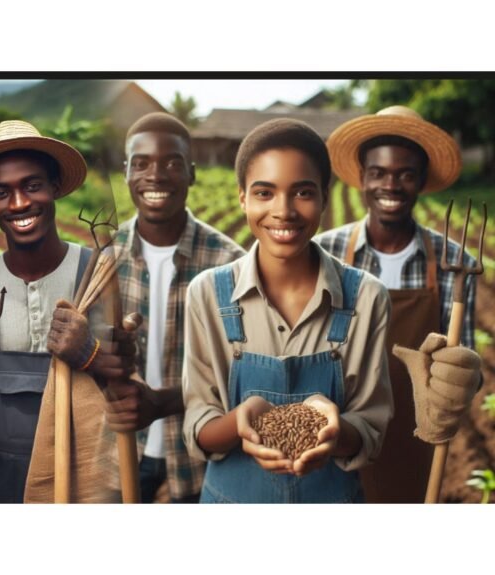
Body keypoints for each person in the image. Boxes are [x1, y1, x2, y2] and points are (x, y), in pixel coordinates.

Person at [182, 118, 394, 503]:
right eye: (264, 193)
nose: (283, 211)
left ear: (325, 198)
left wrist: (333, 431)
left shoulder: (366, 298)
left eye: (302, 193)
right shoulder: (209, 294)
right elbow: (199, 427)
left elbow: (369, 431)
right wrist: (243, 417)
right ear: (242, 197)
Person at [0, 120, 135, 503]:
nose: (19, 204)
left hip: (89, 479)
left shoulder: (102, 279)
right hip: (0, 484)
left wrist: (89, 354)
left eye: (32, 186)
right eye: (2, 193)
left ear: (54, 187)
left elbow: (136, 386)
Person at [315, 105, 483, 502]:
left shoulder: (455, 266)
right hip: (337, 432)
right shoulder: (325, 253)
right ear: (362, 178)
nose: (390, 186)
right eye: (379, 173)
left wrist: (461, 382)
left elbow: (468, 368)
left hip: (414, 437)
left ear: (421, 181)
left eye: (405, 174)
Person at [109, 112, 244, 503]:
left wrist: (163, 402)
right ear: (126, 173)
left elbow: (243, 367)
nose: (156, 175)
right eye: (142, 163)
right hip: (120, 449)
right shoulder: (102, 259)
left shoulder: (229, 264)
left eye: (172, 163)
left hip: (200, 455)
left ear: (192, 173)